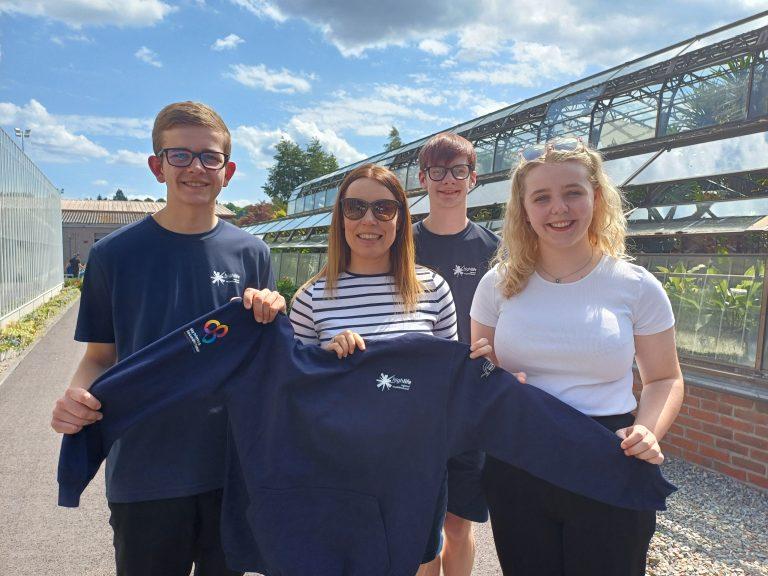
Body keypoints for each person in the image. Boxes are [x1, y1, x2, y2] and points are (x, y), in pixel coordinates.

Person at [50, 101, 285, 576]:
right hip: (144, 468)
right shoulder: (114, 255)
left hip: (230, 468)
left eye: (209, 157)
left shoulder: (252, 253)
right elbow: (100, 356)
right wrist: (77, 399)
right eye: (180, 155)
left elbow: (264, 357)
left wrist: (276, 311)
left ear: (228, 170)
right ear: (157, 166)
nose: (196, 167)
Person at [470, 138, 684, 576]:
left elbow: (665, 378)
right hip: (520, 459)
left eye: (572, 192)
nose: (559, 209)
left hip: (608, 455)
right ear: (524, 209)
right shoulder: (497, 284)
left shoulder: (636, 285)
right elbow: (479, 370)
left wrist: (648, 430)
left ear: (596, 198)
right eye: (542, 197)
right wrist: (491, 376)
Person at [288, 163, 492, 576]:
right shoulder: (312, 297)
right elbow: (293, 391)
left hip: (414, 466)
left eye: (383, 208)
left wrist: (482, 368)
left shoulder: (432, 289)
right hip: (340, 467)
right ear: (340, 217)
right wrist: (324, 357)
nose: (369, 219)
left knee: (419, 558)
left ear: (400, 218)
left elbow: (445, 383)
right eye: (355, 207)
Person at [412, 132, 501, 576]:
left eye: (459, 171)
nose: (449, 181)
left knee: (459, 523)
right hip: (412, 401)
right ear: (423, 179)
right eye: (439, 171)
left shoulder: (493, 249)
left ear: (473, 179)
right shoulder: (399, 244)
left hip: (469, 403)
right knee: (422, 522)